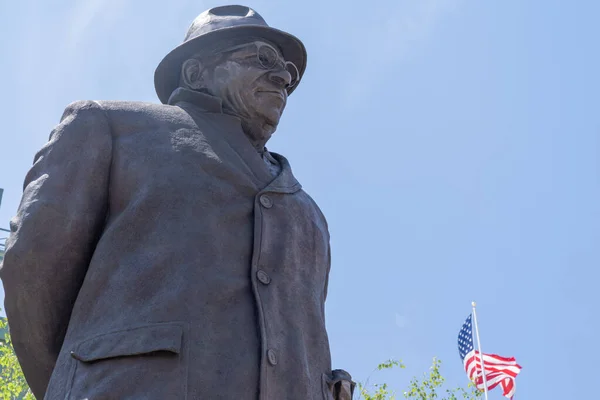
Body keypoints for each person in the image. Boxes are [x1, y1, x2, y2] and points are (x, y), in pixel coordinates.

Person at [0, 5, 354, 400]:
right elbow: (31, 270)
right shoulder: (113, 128)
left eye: (289, 70)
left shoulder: (310, 216)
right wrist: (85, 380)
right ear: (195, 72)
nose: (284, 77)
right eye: (262, 58)